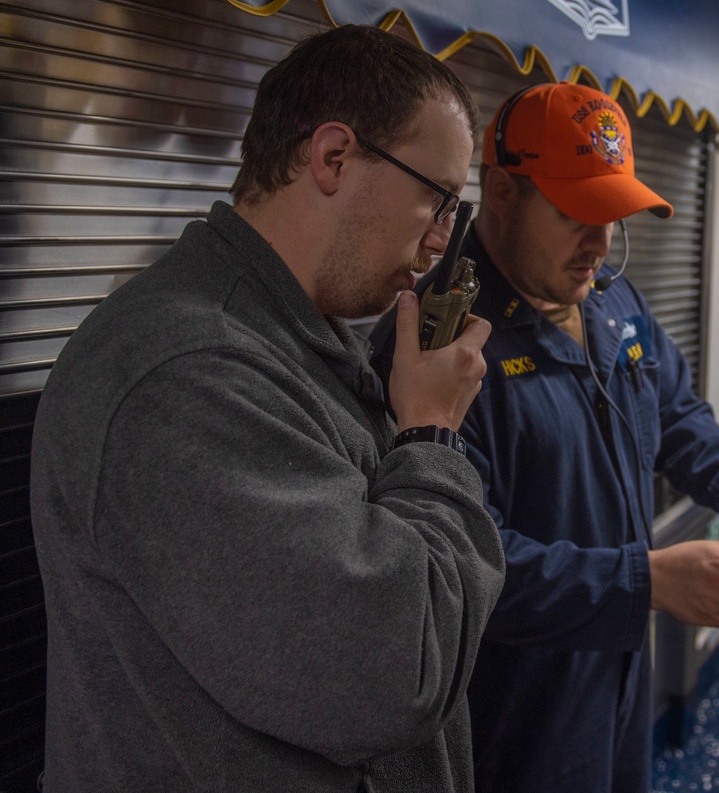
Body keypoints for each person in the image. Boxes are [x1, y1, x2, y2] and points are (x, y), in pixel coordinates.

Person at [30, 25, 505, 793]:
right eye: (439, 199)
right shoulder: (185, 374)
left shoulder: (295, 340)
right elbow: (393, 673)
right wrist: (431, 434)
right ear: (333, 157)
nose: (442, 242)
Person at [369, 82, 719, 793]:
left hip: (620, 677)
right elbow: (456, 568)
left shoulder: (609, 298)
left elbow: (676, 412)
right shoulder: (435, 348)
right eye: (579, 213)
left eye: (614, 215)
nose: (600, 245)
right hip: (516, 711)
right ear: (504, 192)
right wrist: (648, 581)